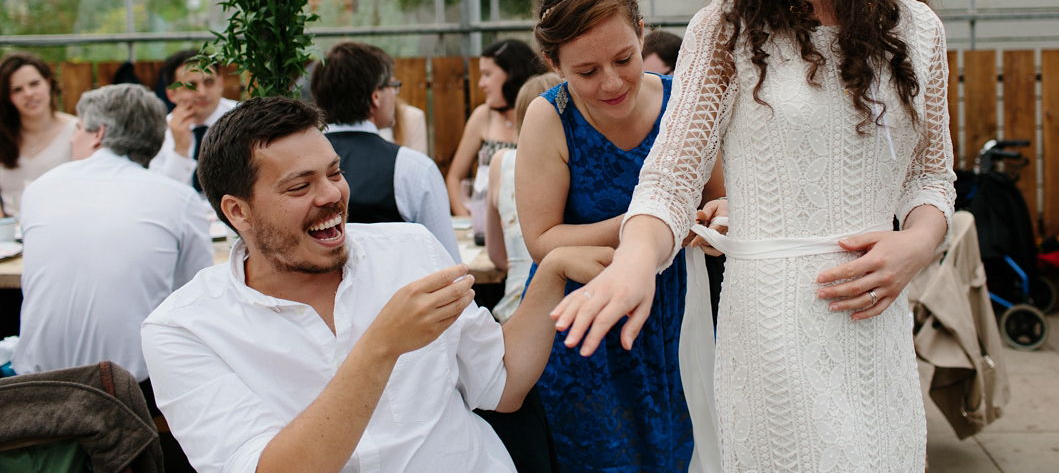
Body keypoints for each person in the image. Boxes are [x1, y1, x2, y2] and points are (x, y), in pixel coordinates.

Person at [551, 0, 955, 472]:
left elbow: (931, 175)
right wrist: (634, 261)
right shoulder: (724, 29)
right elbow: (672, 179)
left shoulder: (918, 30)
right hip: (769, 332)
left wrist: (917, 243)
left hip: (875, 328)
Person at [141, 96, 612, 473]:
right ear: (237, 211)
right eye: (299, 187)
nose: (331, 195)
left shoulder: (409, 250)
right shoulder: (183, 329)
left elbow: (502, 384)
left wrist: (548, 275)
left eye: (334, 172)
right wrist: (382, 345)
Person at [515, 0, 725, 472]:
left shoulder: (686, 104)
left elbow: (721, 207)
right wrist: (647, 219)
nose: (610, 82)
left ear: (642, 34)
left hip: (678, 316)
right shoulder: (549, 118)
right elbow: (542, 240)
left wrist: (717, 227)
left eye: (624, 59)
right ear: (553, 64)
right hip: (585, 327)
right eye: (586, 71)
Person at [13, 83, 212, 415]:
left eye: (77, 127)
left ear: (98, 133)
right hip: (131, 390)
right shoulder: (178, 199)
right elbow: (195, 296)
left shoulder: (40, 189)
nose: (72, 138)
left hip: (37, 385)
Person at [309, 41, 459, 261]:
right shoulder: (414, 168)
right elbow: (448, 262)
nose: (395, 95)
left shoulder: (299, 165)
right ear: (376, 96)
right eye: (393, 86)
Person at [485, 72, 562, 322]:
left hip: (514, 308)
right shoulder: (576, 164)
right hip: (565, 308)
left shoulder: (501, 162)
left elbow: (495, 253)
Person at [446, 40, 541, 218]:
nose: (481, 84)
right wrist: (468, 221)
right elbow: (454, 178)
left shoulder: (542, 116)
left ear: (512, 75)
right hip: (487, 220)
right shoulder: (483, 116)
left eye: (487, 74)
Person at [149, 48, 237, 192]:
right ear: (171, 94)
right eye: (191, 86)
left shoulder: (242, 118)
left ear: (220, 84)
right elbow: (161, 191)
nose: (202, 93)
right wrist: (180, 150)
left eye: (209, 82)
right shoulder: (161, 129)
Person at [0, 53, 75, 216]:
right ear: (8, 97)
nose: (28, 94)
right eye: (17, 89)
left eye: (34, 84)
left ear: (48, 83)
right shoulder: (3, 136)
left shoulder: (78, 131)